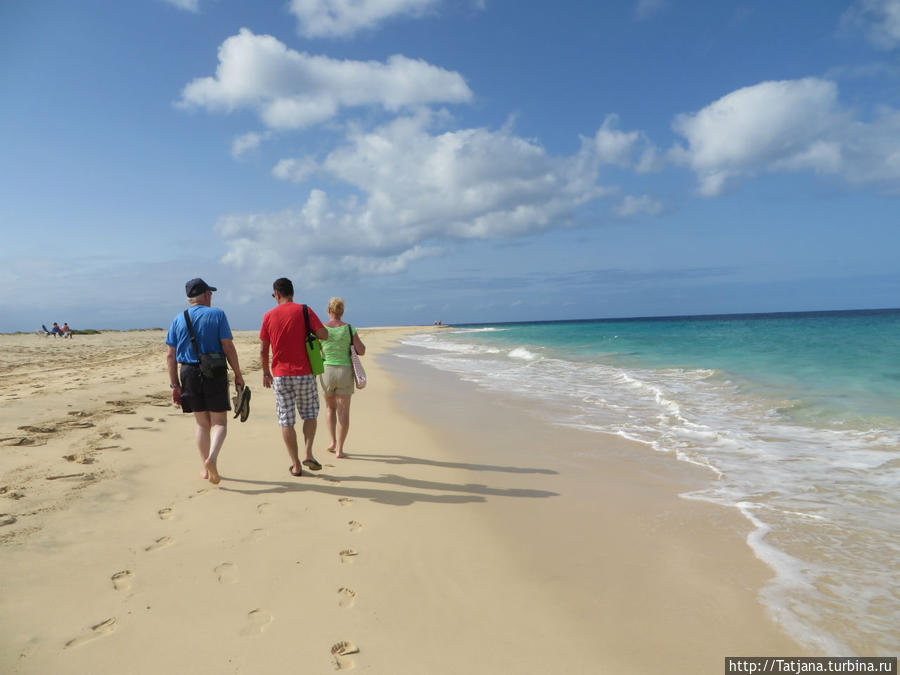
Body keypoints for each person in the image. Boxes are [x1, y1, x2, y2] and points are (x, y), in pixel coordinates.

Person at [165, 278, 245, 485]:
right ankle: (213, 458)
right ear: (207, 295)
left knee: (202, 423)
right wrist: (237, 373)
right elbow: (228, 347)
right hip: (215, 371)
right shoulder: (217, 314)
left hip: (188, 372)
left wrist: (175, 385)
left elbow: (170, 355)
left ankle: (205, 467)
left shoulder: (178, 319)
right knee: (219, 422)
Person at [260, 278, 329, 477]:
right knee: (309, 414)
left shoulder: (268, 316)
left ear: (277, 294)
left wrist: (266, 372)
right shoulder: (305, 311)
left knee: (286, 420)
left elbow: (264, 349)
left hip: (280, 375)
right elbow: (323, 334)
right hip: (305, 373)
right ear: (292, 293)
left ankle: (296, 464)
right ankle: (308, 452)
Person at [320, 297, 366, 459]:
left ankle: (332, 441)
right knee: (344, 411)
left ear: (329, 311)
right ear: (342, 311)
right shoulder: (349, 329)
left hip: (327, 371)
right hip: (345, 371)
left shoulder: (323, 329)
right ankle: (339, 449)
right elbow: (361, 350)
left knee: (330, 408)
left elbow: (317, 349)